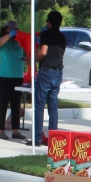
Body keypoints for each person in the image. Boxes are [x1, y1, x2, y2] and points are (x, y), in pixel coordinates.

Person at [33, 10, 66, 145]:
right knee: (53, 106)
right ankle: (54, 138)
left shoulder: (46, 34)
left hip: (46, 71)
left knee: (39, 106)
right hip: (58, 72)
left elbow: (43, 52)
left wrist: (32, 59)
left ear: (49, 22)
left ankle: (37, 138)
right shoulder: (63, 38)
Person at [0, 20, 26, 141]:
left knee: (16, 105)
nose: (14, 32)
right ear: (6, 29)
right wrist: (9, 35)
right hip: (5, 77)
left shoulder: (18, 43)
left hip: (18, 76)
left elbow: (28, 43)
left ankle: (15, 131)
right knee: (3, 104)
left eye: (15, 30)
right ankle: (1, 131)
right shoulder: (1, 40)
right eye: (11, 29)